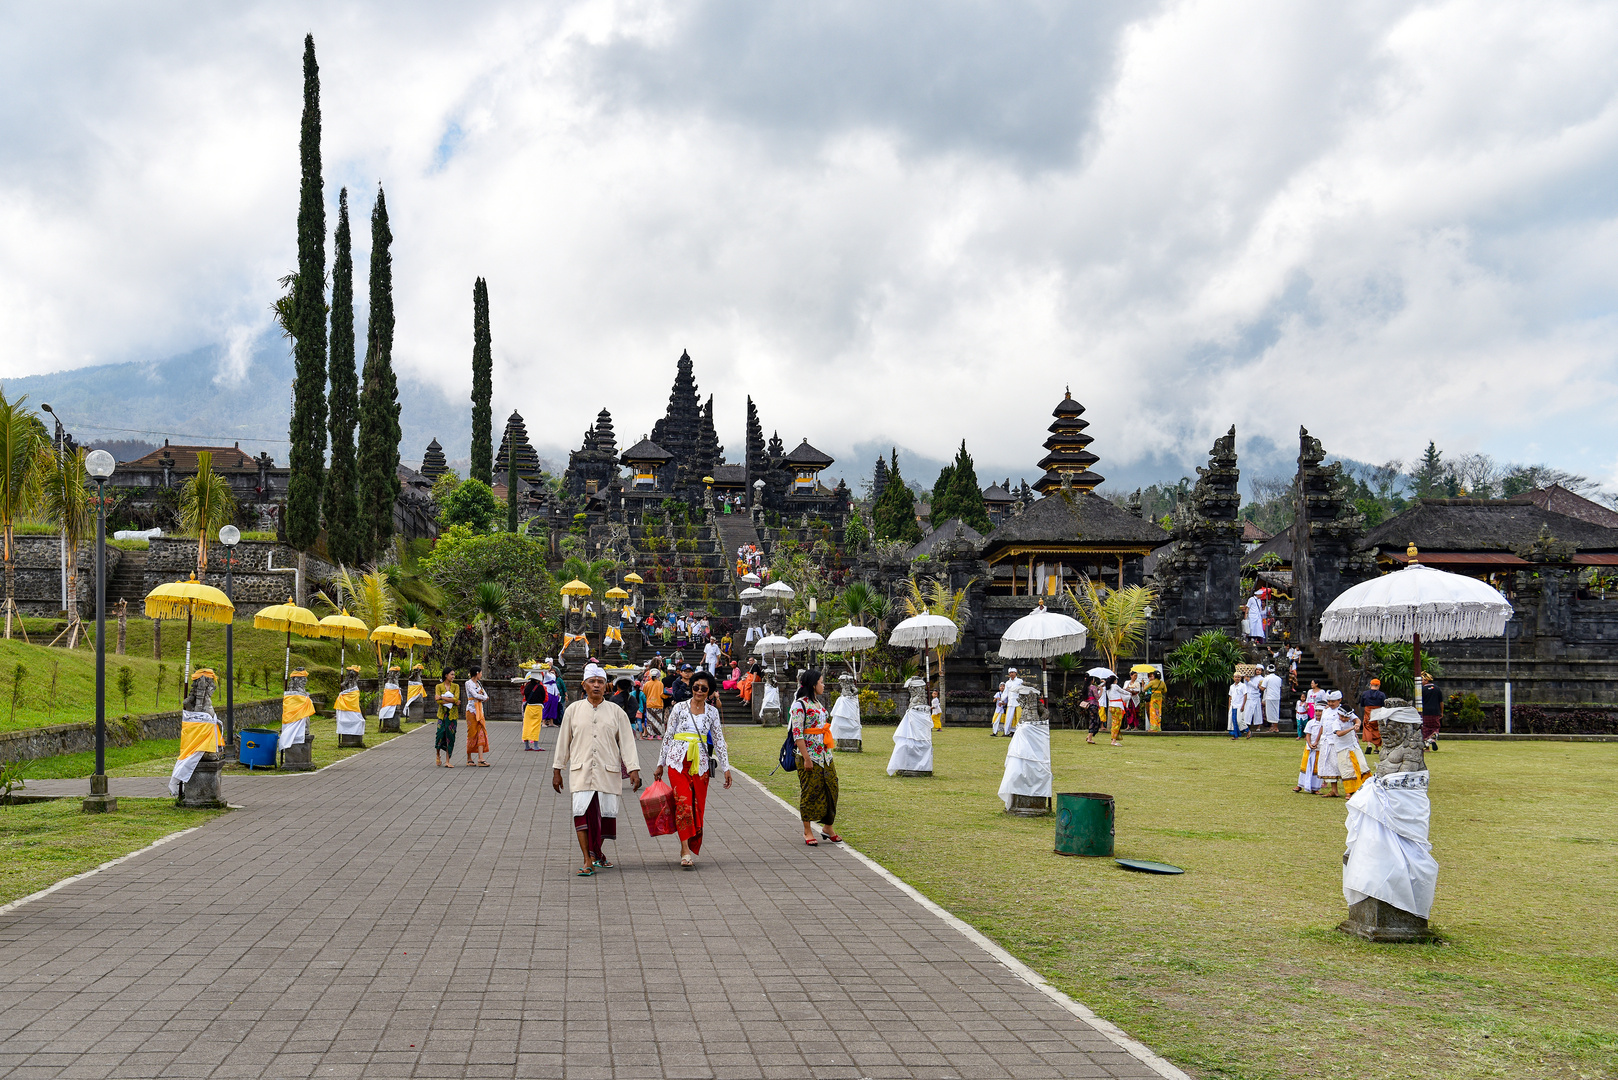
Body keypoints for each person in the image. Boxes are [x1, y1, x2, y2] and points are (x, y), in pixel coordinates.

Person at [552, 664, 642, 877]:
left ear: (606, 686)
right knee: (581, 814)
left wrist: (633, 769)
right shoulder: (573, 710)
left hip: (607, 772)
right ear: (584, 685)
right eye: (592, 681)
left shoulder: (616, 712)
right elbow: (563, 741)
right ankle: (587, 858)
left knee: (605, 817)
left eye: (600, 682)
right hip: (581, 771)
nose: (596, 685)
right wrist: (557, 769)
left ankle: (597, 852)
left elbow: (628, 743)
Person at [654, 669, 731, 868]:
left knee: (698, 806)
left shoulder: (712, 712)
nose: (698, 691)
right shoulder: (679, 708)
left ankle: (690, 842)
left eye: (703, 688)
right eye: (695, 687)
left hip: (701, 763)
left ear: (710, 691)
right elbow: (668, 736)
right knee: (683, 804)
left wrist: (726, 767)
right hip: (677, 761)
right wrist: (660, 763)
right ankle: (685, 849)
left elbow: (720, 740)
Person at [789, 668, 841, 845]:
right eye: (821, 682)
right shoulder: (799, 705)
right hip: (809, 755)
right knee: (810, 791)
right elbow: (798, 734)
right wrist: (807, 758)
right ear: (813, 684)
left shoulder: (819, 703)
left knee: (832, 787)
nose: (823, 685)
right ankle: (807, 830)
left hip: (825, 755)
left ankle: (828, 826)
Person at [886, 674, 934, 776]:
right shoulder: (915, 699)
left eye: (913, 688)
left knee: (922, 743)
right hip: (914, 714)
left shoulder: (920, 698)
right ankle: (906, 765)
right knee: (905, 744)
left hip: (919, 714)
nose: (911, 690)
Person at [1330, 690, 1372, 795]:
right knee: (1347, 769)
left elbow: (1357, 720)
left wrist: (1357, 725)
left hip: (1353, 745)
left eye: (1346, 717)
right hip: (1342, 748)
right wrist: (1352, 728)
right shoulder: (1336, 722)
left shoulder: (1351, 717)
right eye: (1342, 716)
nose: (1344, 719)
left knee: (1362, 765)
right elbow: (1339, 733)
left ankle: (1366, 788)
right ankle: (1350, 792)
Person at [464, 665, 490, 767]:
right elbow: (475, 695)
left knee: (481, 732)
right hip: (471, 710)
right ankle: (469, 758)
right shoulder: (468, 683)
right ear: (477, 673)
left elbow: (485, 696)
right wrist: (482, 697)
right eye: (481, 673)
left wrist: (482, 696)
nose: (481, 675)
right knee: (472, 732)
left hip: (479, 710)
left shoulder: (479, 683)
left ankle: (480, 758)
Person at [1294, 705, 1324, 793]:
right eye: (1317, 711)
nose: (1318, 713)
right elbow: (1308, 734)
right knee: (1305, 766)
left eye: (1320, 711)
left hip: (1319, 748)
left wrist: (1316, 743)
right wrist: (1310, 743)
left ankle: (1315, 787)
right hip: (1309, 748)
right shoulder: (1311, 722)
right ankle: (1300, 785)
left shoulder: (1325, 724)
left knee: (1317, 768)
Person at [521, 664, 549, 751]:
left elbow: (524, 694)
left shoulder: (527, 686)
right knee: (536, 726)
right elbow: (544, 698)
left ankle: (526, 745)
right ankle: (536, 745)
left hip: (529, 707)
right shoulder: (541, 687)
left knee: (527, 725)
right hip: (537, 707)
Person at [434, 670, 459, 766]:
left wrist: (441, 697)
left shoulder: (456, 686)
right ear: (446, 675)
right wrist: (452, 701)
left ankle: (447, 761)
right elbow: (438, 702)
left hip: (452, 716)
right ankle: (438, 754)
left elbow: (456, 699)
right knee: (440, 734)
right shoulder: (439, 686)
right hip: (442, 715)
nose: (453, 676)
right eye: (451, 674)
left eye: (454, 674)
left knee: (450, 736)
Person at [1358, 678, 1386, 754]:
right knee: (1377, 728)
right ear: (1379, 686)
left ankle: (1369, 744)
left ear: (1370, 685)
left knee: (1367, 727)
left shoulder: (1365, 694)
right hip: (1378, 711)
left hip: (1368, 711)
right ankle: (1376, 748)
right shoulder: (1381, 694)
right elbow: (1384, 705)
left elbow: (1362, 704)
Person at [1419, 671, 1442, 751]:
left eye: (1422, 680)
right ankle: (1433, 737)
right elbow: (1441, 702)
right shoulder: (1437, 689)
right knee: (1435, 726)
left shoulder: (1422, 690)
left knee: (1425, 728)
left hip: (1425, 712)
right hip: (1435, 712)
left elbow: (1419, 702)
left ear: (1426, 680)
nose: (1421, 682)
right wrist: (1441, 712)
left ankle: (1427, 747)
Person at [1102, 675, 1128, 746]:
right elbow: (1122, 691)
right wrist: (1129, 693)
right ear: (1114, 681)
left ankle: (1114, 738)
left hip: (1111, 706)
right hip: (1117, 706)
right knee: (1117, 723)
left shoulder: (1107, 687)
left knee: (1114, 723)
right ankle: (1114, 740)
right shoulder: (1115, 686)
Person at [641, 667, 666, 739]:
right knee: (658, 721)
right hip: (659, 704)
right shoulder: (660, 684)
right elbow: (662, 694)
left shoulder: (647, 684)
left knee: (650, 721)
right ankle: (658, 735)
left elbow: (644, 693)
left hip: (649, 704)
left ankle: (651, 735)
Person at [1261, 665, 1284, 733]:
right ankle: (1273, 727)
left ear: (1267, 671)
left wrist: (1258, 686)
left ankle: (1275, 728)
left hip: (1270, 697)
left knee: (1270, 713)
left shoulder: (1267, 678)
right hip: (1276, 697)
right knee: (1276, 712)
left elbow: (1263, 688)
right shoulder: (1279, 678)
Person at [1144, 666, 1167, 731]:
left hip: (1153, 698)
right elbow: (1165, 691)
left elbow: (1145, 689)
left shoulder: (1152, 682)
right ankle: (1158, 727)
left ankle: (1153, 728)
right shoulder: (1162, 683)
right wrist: (1159, 691)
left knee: (1153, 712)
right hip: (1159, 699)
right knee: (1158, 713)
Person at [1227, 671, 1249, 740]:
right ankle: (1236, 736)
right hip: (1233, 705)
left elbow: (1245, 695)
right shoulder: (1232, 686)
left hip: (1239, 705)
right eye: (1236, 677)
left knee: (1239, 720)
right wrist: (1229, 705)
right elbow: (1230, 697)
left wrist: (1243, 705)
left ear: (1240, 678)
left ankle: (1248, 731)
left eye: (1238, 677)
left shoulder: (1243, 686)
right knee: (1233, 721)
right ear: (1233, 678)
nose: (1237, 678)